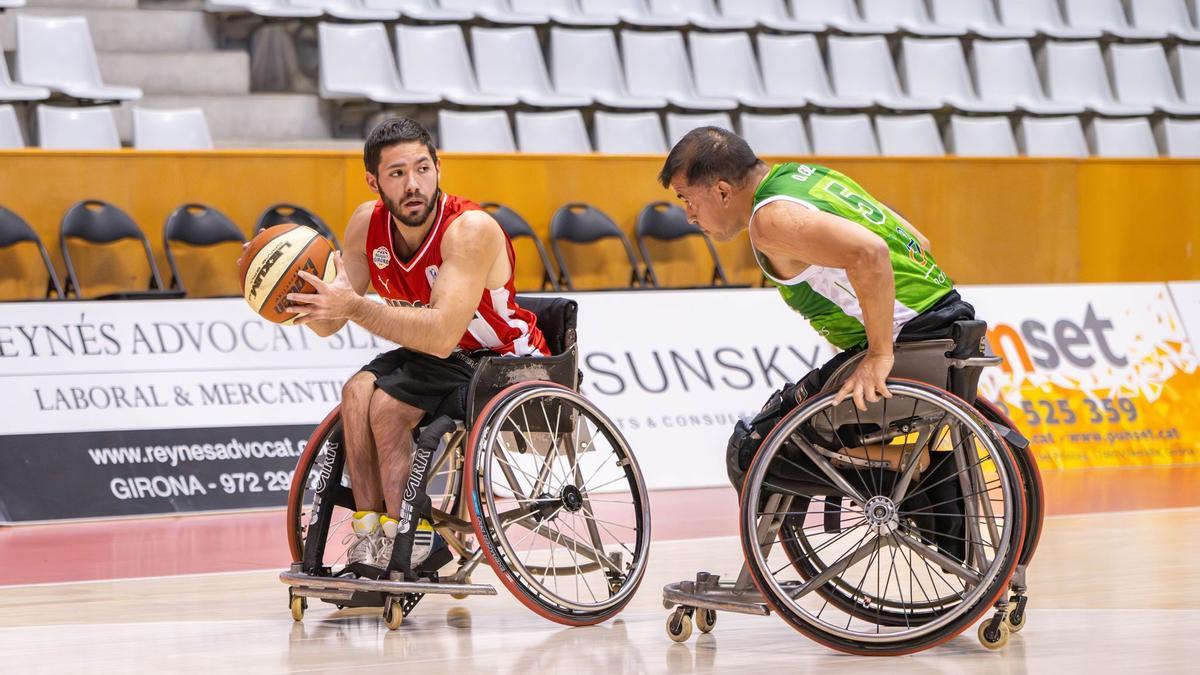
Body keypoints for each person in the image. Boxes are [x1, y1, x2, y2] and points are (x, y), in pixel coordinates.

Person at [283, 117, 547, 576]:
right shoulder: (366, 224)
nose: (413, 184)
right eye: (397, 173)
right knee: (356, 393)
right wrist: (298, 302)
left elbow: (441, 335)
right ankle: (374, 537)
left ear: (438, 169)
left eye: (423, 169)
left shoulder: (468, 229)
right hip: (437, 356)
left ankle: (417, 538)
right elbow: (331, 323)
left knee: (387, 407)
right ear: (374, 182)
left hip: (501, 359)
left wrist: (353, 306)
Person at [658, 126, 976, 489]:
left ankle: (905, 468)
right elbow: (919, 242)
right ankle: (904, 468)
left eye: (687, 199)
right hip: (951, 329)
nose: (689, 216)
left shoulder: (771, 220)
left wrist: (879, 354)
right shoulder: (808, 177)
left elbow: (870, 253)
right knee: (790, 421)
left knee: (754, 451)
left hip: (912, 344)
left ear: (722, 191)